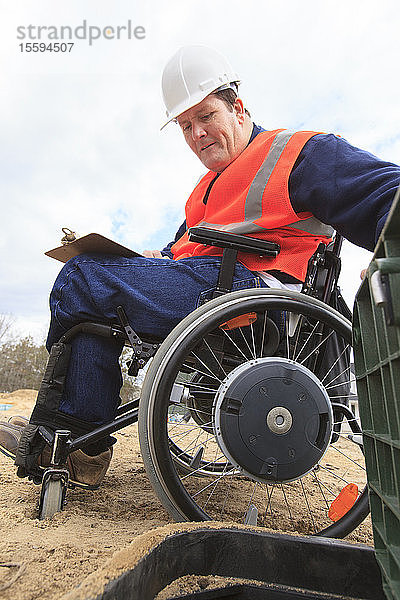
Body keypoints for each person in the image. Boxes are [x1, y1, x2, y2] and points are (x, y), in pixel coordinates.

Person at [1, 45, 399, 489]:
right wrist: (154, 258)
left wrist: (392, 261)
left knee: (81, 278)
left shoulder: (300, 153)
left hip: (257, 296)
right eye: (186, 125)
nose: (197, 134)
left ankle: (49, 431)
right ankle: (76, 447)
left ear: (238, 106)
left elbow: (388, 195)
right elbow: (184, 252)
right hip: (208, 283)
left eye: (206, 116)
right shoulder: (203, 190)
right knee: (94, 304)